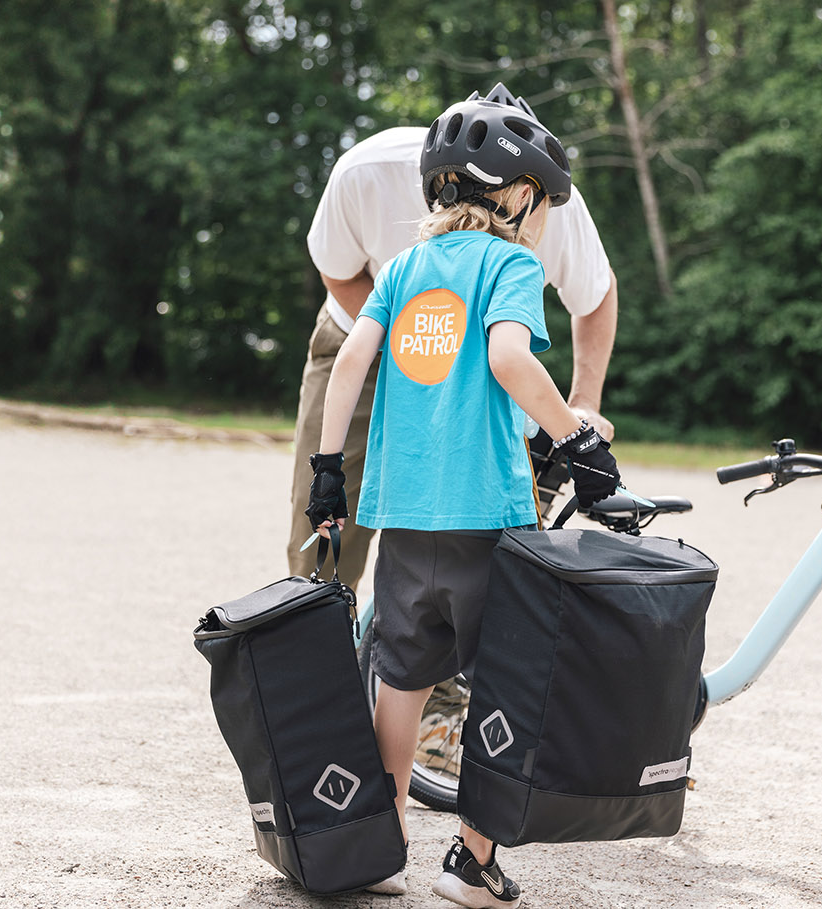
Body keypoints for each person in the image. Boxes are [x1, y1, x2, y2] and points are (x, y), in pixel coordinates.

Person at [304, 88, 624, 908]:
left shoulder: (405, 268)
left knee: (399, 680)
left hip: (405, 518)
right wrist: (576, 436)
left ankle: (382, 842)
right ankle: (471, 860)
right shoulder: (512, 265)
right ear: (518, 194)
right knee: (505, 686)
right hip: (487, 517)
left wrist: (328, 471)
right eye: (544, 199)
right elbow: (513, 361)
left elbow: (348, 365)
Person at [289, 83, 620, 588]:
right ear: (524, 194)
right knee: (330, 541)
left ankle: (409, 653)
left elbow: (594, 297)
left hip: (473, 347)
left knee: (433, 535)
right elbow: (339, 276)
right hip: (364, 328)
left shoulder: (558, 208)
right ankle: (322, 633)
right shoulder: (367, 171)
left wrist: (585, 402)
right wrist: (580, 442)